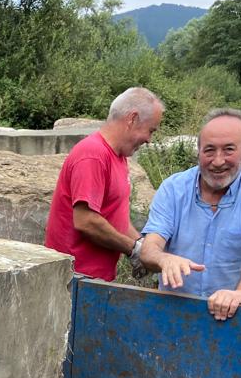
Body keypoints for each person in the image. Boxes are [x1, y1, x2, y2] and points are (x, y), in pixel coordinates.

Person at [139, 108, 241, 321]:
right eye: (209, 150)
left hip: (237, 316)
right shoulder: (173, 189)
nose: (217, 161)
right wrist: (163, 259)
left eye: (228, 150)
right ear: (198, 151)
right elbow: (149, 249)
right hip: (175, 315)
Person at [45, 87, 164, 281]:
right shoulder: (93, 154)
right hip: (73, 279)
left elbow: (118, 221)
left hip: (95, 280)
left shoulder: (118, 158)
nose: (149, 140)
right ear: (132, 119)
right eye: (150, 130)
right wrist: (133, 249)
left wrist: (144, 247)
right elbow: (86, 221)